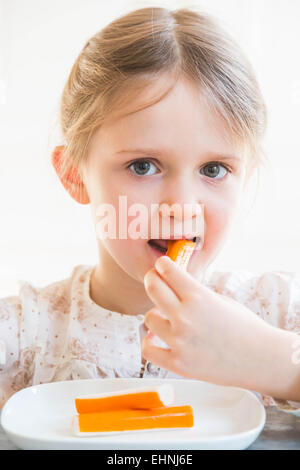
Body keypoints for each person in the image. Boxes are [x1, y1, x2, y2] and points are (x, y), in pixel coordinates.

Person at [0, 6, 299, 416]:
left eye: (214, 169)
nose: (181, 206)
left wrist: (273, 362)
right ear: (75, 174)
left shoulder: (279, 310)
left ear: (243, 179)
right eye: (143, 166)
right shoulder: (23, 333)